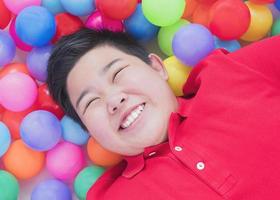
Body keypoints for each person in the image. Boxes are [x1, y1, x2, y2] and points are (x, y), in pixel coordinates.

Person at [47, 28, 280, 200]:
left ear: (157, 67)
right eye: (91, 102)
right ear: (90, 132)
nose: (114, 101)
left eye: (118, 73)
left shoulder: (225, 75)